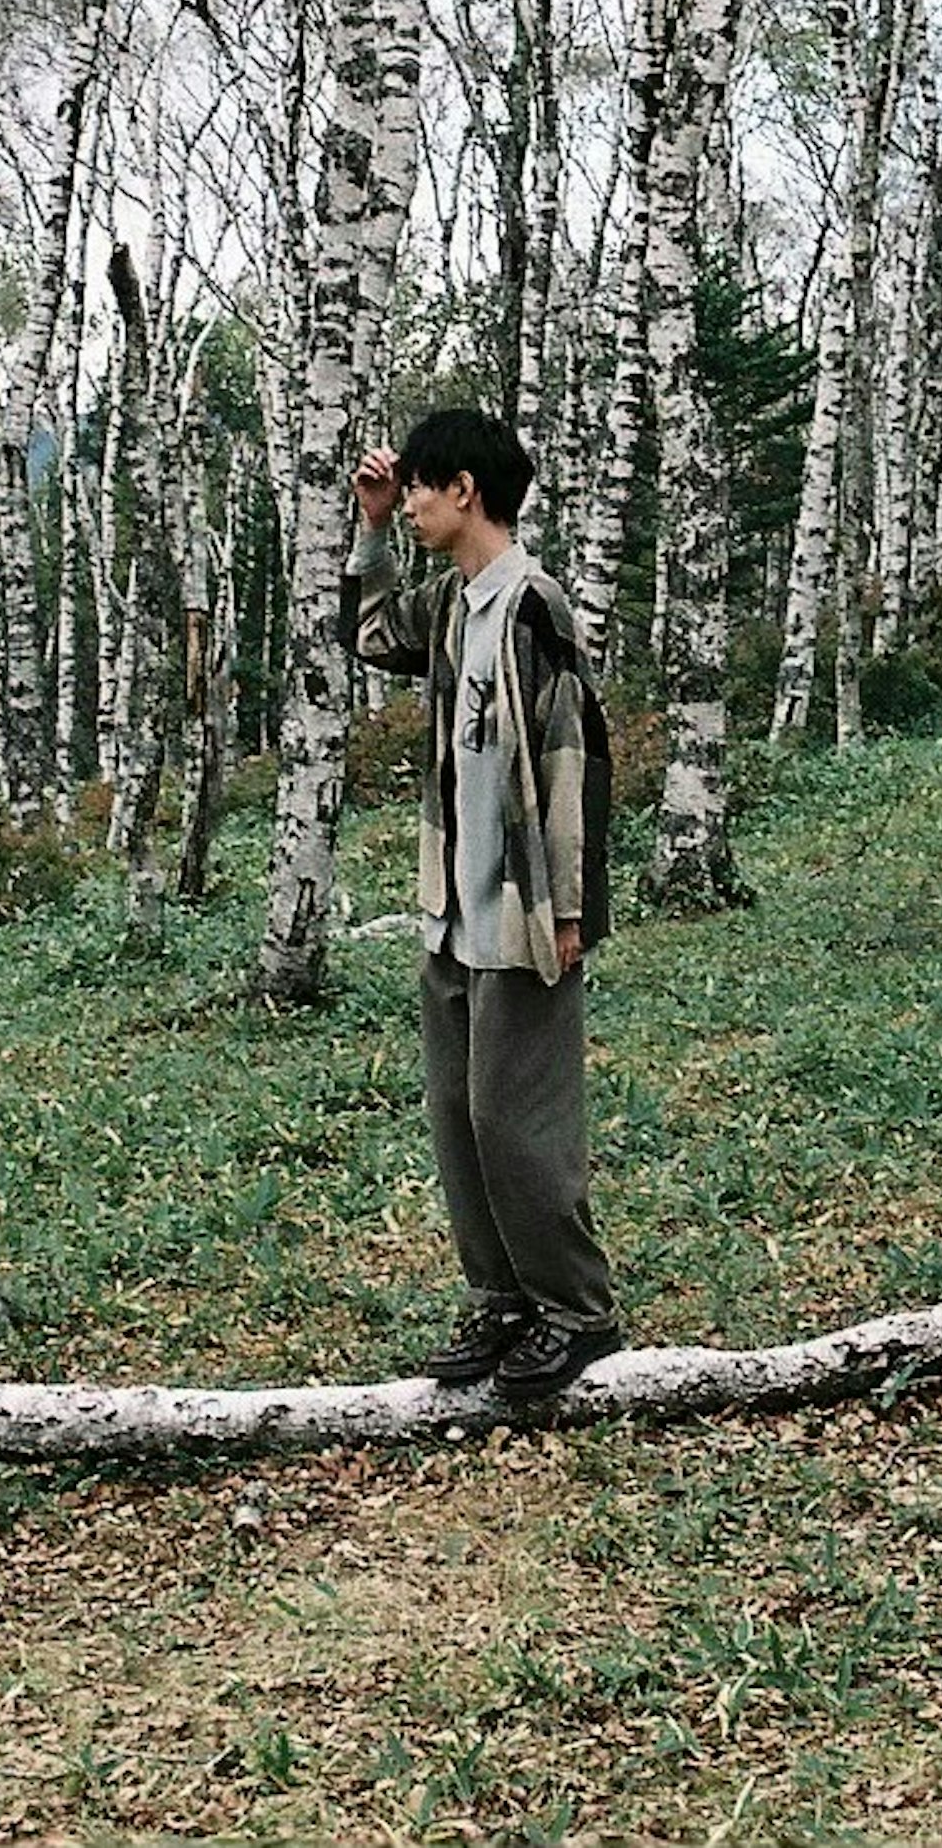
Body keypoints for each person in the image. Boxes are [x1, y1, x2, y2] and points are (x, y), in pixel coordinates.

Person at [346, 408, 621, 1401]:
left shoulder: (532, 601)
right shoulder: (458, 600)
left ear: (465, 489)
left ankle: (578, 1311)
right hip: (452, 901)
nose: (409, 499)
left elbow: (573, 752)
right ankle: (501, 1297)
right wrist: (371, 528)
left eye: (419, 485)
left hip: (524, 901)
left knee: (516, 1114)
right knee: (458, 1112)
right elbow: (376, 637)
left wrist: (572, 903)